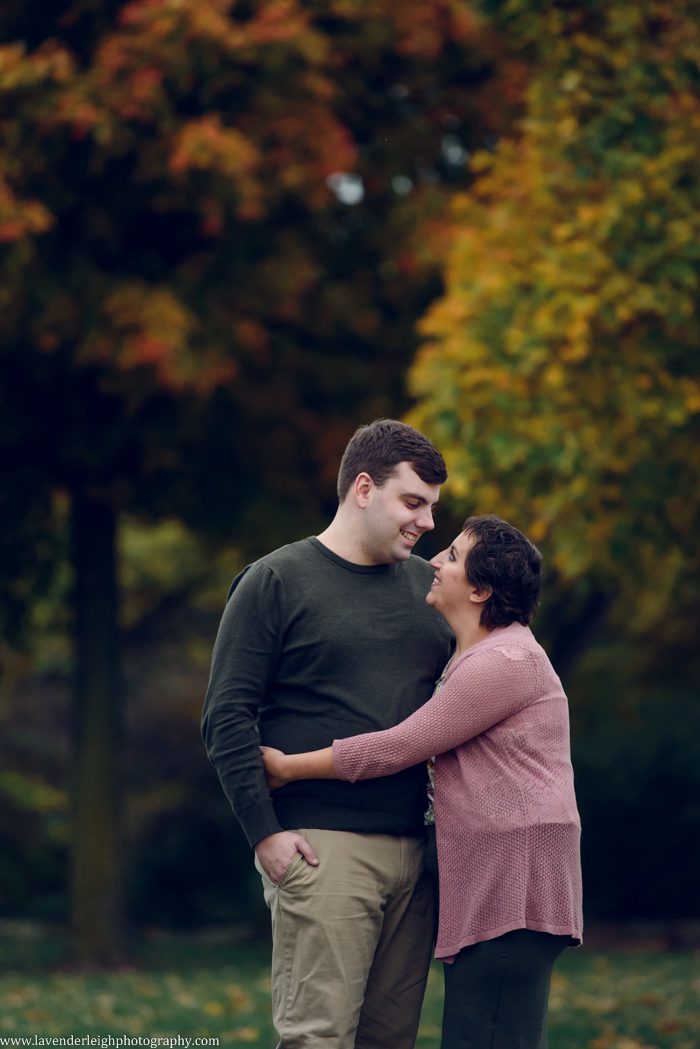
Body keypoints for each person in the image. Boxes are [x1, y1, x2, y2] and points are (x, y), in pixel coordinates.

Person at [262, 514, 584, 1049]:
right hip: (500, 876)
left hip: (514, 879)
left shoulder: (503, 661)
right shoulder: (481, 653)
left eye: (452, 556)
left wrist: (288, 767)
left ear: (480, 591)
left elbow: (400, 746)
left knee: (488, 1035)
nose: (433, 561)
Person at [201, 419, 453, 1049]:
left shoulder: (429, 589)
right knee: (320, 1039)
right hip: (322, 849)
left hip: (417, 852)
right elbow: (227, 714)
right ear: (364, 488)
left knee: (390, 1040)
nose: (426, 522)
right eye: (413, 502)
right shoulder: (275, 580)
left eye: (431, 507)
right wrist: (265, 835)